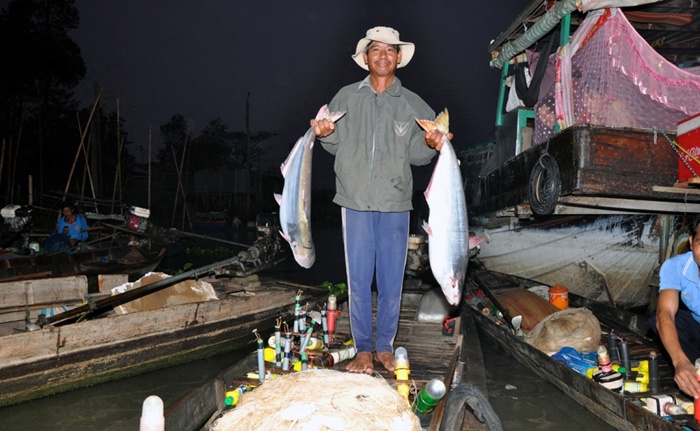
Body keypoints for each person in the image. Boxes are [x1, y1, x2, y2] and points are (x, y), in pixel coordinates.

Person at [312, 26, 448, 374]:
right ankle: (362, 349)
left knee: (391, 282)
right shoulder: (346, 96)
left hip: (396, 203)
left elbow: (418, 155)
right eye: (376, 49)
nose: (383, 56)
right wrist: (324, 133)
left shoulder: (413, 104)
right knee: (358, 281)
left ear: (399, 57)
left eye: (390, 50)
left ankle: (385, 346)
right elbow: (333, 144)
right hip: (354, 201)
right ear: (366, 57)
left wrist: (432, 143)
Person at [650, 215, 700, 399]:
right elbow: (665, 314)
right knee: (660, 319)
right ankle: (691, 374)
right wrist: (680, 362)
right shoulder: (675, 266)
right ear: (691, 242)